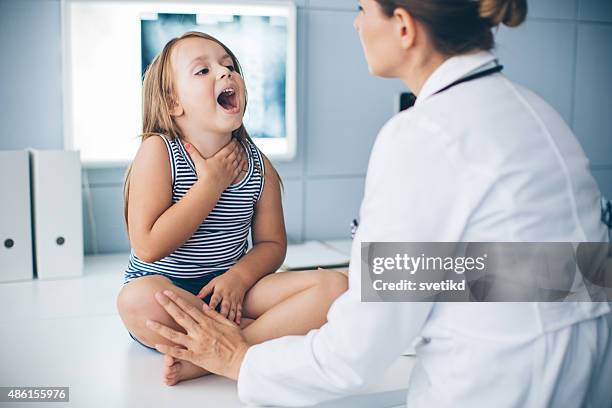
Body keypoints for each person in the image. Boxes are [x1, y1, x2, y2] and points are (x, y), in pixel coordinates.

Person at [145, 1, 612, 407]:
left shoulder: (422, 133)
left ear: (403, 27)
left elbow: (352, 355)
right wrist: (402, 276)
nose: (355, 24)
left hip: (487, 391)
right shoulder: (541, 116)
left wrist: (237, 358)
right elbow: (562, 276)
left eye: (363, 9)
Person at [116, 31, 347, 386]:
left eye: (228, 66)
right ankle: (251, 340)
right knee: (135, 299)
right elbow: (148, 246)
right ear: (173, 101)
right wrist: (211, 184)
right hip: (168, 291)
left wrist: (238, 278)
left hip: (231, 291)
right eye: (202, 71)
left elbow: (272, 245)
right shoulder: (158, 153)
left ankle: (220, 354)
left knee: (334, 286)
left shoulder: (259, 167)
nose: (225, 73)